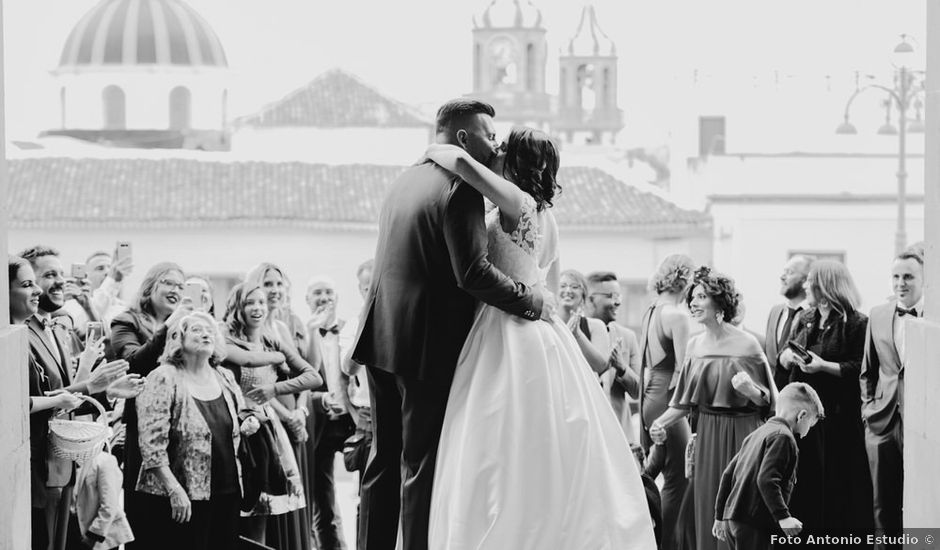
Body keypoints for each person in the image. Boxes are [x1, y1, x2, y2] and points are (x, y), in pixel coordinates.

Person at [423, 126, 657, 549]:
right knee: (542, 438)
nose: (495, 150)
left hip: (505, 326)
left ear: (515, 161)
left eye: (502, 148)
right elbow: (546, 281)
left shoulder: (516, 201)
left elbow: (458, 163)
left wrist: (433, 144)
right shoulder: (548, 215)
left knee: (496, 436)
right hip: (540, 329)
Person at [351, 99, 548, 550]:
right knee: (421, 465)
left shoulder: (404, 181)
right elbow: (473, 273)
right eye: (488, 134)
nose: (495, 143)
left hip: (380, 337)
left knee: (382, 462)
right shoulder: (461, 189)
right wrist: (531, 302)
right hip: (425, 345)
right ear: (463, 138)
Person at [649, 266, 776, 550]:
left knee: (738, 510)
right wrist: (660, 423)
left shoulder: (747, 345)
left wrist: (750, 390)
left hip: (743, 433)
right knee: (708, 508)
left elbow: (768, 403)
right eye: (692, 297)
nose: (693, 302)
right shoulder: (694, 346)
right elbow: (682, 402)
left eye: (702, 296)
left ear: (720, 302)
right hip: (707, 435)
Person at [16, 247, 130, 550]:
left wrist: (107, 390)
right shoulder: (22, 333)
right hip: (36, 466)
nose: (55, 283)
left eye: (59, 274)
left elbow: (66, 390)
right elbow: (33, 399)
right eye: (47, 275)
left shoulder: (54, 327)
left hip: (62, 464)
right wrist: (91, 385)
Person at [135, 311, 259, 550]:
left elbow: (238, 416)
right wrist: (174, 491)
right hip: (181, 496)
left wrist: (248, 422)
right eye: (196, 329)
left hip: (228, 490)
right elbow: (151, 446)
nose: (206, 334)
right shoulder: (163, 377)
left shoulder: (224, 376)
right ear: (178, 338)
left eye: (210, 330)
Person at [778, 259, 873, 537]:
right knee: (804, 483)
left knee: (837, 484)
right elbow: (782, 355)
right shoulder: (804, 318)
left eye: (811, 281)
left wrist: (823, 366)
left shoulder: (857, 323)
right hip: (804, 420)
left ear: (826, 285)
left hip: (838, 419)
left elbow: (861, 368)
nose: (806, 285)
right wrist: (788, 357)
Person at [220, 282, 320, 547]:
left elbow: (313, 376)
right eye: (250, 302)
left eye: (262, 302)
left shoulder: (271, 338)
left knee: (261, 508)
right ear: (237, 306)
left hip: (265, 430)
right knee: (231, 509)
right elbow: (245, 359)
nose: (257, 308)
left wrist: (275, 388)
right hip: (231, 426)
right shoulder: (223, 337)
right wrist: (276, 358)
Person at [109, 262, 193, 550]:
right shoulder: (126, 322)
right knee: (146, 515)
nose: (176, 290)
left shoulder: (186, 325)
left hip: (183, 429)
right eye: (168, 283)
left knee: (180, 514)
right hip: (142, 430)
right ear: (150, 287)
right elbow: (133, 363)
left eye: (181, 286)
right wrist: (168, 327)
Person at [244, 263, 314, 550]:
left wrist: (300, 412)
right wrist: (286, 416)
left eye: (278, 284)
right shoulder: (251, 329)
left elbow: (307, 375)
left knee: (298, 499)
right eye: (267, 284)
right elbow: (252, 383)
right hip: (271, 422)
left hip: (294, 418)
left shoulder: (284, 327)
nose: (274, 290)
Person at [861, 248, 923, 549]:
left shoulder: (934, 316)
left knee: (923, 501)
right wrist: (868, 408)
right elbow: (867, 371)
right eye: (896, 276)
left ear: (924, 279)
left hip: (924, 426)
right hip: (881, 423)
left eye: (909, 276)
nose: (901, 283)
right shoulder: (877, 314)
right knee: (882, 504)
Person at [713, 383, 825, 550]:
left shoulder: (756, 434)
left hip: (733, 519)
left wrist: (719, 516)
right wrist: (783, 517)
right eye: (810, 424)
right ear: (802, 415)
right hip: (754, 522)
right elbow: (766, 479)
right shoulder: (784, 438)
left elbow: (728, 474)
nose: (807, 431)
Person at [638, 253, 695, 550]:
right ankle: (669, 544)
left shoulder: (651, 310)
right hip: (668, 400)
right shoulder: (677, 315)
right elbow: (682, 370)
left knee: (660, 474)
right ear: (685, 279)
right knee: (678, 481)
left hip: (650, 396)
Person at [305, 275, 356, 550]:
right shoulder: (302, 335)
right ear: (307, 300)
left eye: (328, 292)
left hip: (353, 421)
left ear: (336, 298)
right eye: (317, 293)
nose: (323, 298)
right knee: (323, 500)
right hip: (320, 424)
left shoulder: (349, 329)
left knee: (366, 491)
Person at [585, 271, 642, 441]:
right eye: (610, 296)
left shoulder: (628, 337)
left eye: (619, 295)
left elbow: (639, 391)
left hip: (620, 434)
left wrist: (622, 367)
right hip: (588, 432)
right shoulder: (575, 335)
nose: (617, 302)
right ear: (590, 299)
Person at [764, 255, 813, 391]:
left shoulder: (816, 316)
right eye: (783, 272)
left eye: (790, 272)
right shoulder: (775, 312)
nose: (782, 277)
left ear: (806, 280)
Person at [74, 442, 135, 550]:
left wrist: (93, 536)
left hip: (101, 536)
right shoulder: (68, 460)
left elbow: (109, 505)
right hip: (77, 530)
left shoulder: (104, 461)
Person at [556, 269, 611, 374]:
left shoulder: (596, 326)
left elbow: (601, 367)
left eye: (574, 287)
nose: (568, 290)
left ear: (583, 296)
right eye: (562, 286)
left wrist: (577, 335)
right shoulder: (547, 325)